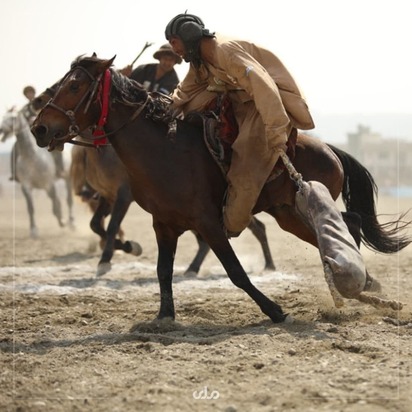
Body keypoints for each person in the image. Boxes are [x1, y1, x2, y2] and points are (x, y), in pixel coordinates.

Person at [164, 13, 315, 236]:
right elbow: (186, 90)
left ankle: (229, 225)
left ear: (188, 35)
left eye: (174, 42)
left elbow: (265, 88)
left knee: (245, 166)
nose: (173, 49)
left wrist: (275, 131)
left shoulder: (226, 51)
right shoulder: (200, 59)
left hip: (269, 101)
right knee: (188, 106)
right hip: (242, 98)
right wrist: (167, 106)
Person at [10, 85, 65, 181]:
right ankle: (15, 173)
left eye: (31, 92)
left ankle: (59, 169)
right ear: (25, 95)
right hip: (30, 134)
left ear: (34, 93)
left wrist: (36, 119)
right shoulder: (25, 109)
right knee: (15, 148)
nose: (29, 95)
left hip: (41, 132)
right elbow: (20, 119)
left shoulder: (42, 102)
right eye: (27, 93)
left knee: (55, 144)